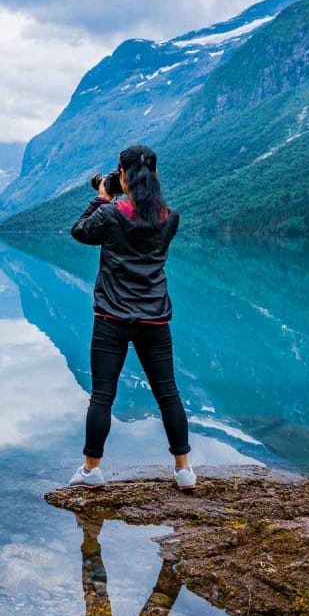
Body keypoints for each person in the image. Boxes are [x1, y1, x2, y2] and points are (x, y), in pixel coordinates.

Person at [68, 144, 195, 491]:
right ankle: (183, 470)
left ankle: (91, 469)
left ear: (122, 175)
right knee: (168, 393)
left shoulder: (112, 214)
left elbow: (79, 231)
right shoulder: (171, 217)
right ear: (154, 175)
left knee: (102, 396)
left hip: (112, 316)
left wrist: (101, 198)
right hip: (155, 317)